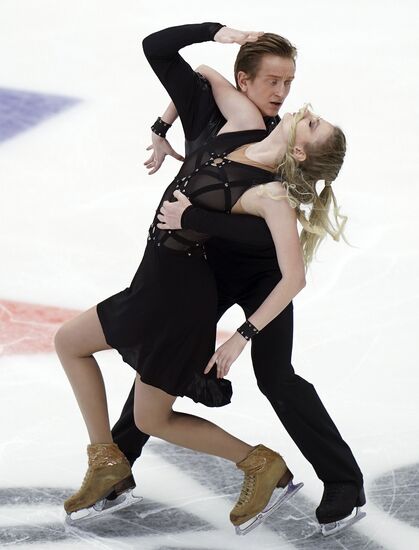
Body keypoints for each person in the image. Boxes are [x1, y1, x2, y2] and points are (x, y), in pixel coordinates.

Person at [110, 23, 366, 536]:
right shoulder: (222, 115)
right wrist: (163, 129)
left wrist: (243, 333)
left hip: (261, 276)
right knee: (163, 357)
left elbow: (279, 251)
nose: (283, 95)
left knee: (276, 378)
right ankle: (116, 464)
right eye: (273, 81)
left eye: (289, 84)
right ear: (242, 83)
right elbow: (182, 64)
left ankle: (344, 482)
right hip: (208, 269)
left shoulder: (275, 150)